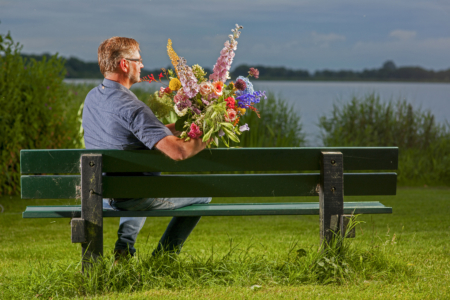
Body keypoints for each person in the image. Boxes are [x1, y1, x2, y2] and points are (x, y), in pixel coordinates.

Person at [82, 36, 211, 259]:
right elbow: (178, 152)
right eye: (138, 60)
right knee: (203, 194)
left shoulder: (94, 97)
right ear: (124, 64)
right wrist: (210, 134)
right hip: (134, 197)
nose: (142, 65)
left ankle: (125, 248)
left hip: (102, 192)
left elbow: (145, 131)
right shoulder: (132, 107)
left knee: (138, 182)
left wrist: (184, 126)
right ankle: (163, 257)